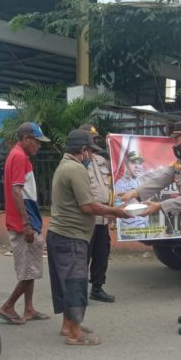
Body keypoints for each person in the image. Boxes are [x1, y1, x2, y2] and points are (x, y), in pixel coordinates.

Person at [119, 120, 181, 336]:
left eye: (177, 139)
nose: (174, 143)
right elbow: (162, 178)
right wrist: (135, 193)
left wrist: (159, 206)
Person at [47, 128, 131, 346]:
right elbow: (88, 206)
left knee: (65, 282)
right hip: (71, 236)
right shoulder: (75, 169)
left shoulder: (65, 165)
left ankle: (68, 325)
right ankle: (75, 334)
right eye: (91, 152)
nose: (93, 156)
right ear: (83, 150)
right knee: (75, 282)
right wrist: (116, 212)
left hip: (61, 234)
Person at [0, 122, 51, 325]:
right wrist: (26, 224)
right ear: (27, 139)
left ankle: (28, 308)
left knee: (31, 267)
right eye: (37, 141)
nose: (39, 146)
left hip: (26, 220)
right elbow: (16, 191)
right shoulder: (19, 157)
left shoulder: (18, 155)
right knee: (30, 271)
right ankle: (8, 306)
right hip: (24, 223)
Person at [80, 124, 116, 303]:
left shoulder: (101, 161)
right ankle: (78, 290)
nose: (94, 141)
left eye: (95, 138)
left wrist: (113, 144)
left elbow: (120, 165)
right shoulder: (78, 162)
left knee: (102, 254)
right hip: (86, 219)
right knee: (83, 256)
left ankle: (97, 287)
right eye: (91, 138)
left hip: (102, 218)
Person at [114, 151, 149, 238]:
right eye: (133, 163)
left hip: (144, 227)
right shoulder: (120, 183)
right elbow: (117, 205)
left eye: (140, 163)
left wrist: (130, 197)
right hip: (128, 230)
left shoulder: (144, 182)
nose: (137, 166)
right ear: (126, 165)